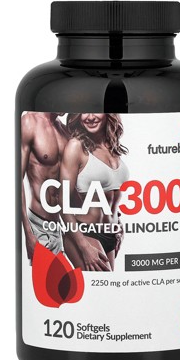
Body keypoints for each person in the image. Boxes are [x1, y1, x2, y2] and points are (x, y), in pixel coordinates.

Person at [60, 113, 129, 271]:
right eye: (85, 112)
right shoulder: (76, 146)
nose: (90, 117)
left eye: (96, 111)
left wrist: (118, 223)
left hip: (111, 234)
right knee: (104, 283)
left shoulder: (112, 145)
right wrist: (84, 246)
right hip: (85, 233)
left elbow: (111, 195)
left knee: (108, 285)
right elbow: (63, 203)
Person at [21, 112, 69, 262]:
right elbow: (16, 180)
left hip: (60, 226)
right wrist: (28, 233)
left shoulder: (64, 130)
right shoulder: (30, 122)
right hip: (38, 226)